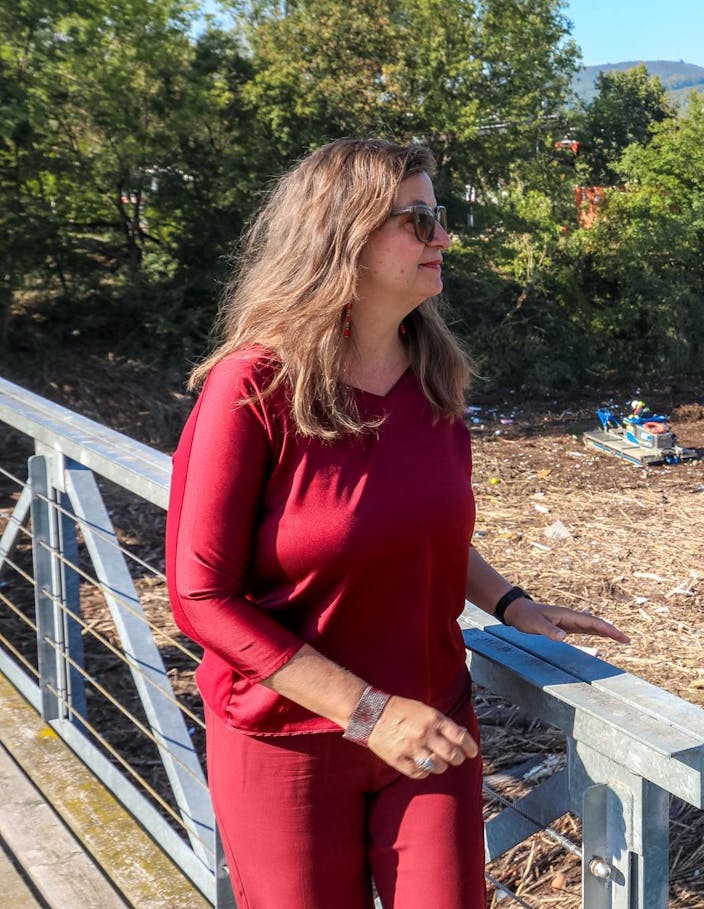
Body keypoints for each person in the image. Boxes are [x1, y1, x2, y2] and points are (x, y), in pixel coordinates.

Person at [165, 138, 628, 909]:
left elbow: (417, 527)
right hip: (288, 742)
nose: (443, 236)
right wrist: (368, 712)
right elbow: (200, 597)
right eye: (419, 220)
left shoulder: (436, 381)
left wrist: (512, 603)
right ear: (341, 234)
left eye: (438, 216)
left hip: (433, 725)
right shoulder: (253, 387)